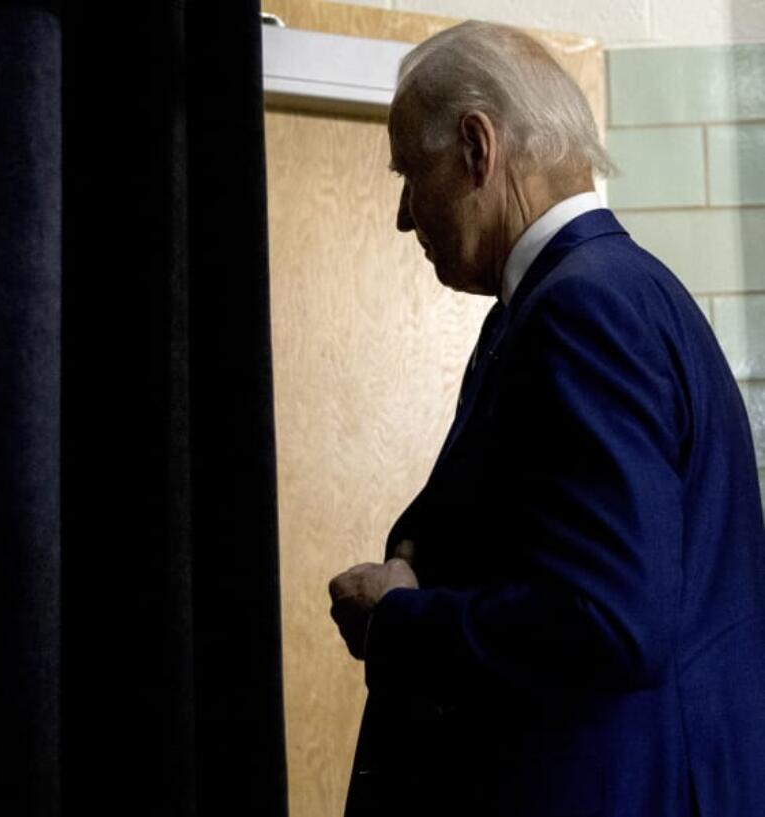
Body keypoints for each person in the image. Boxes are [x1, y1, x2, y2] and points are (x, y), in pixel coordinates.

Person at [327, 20, 765, 817]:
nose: (402, 213)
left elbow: (609, 618)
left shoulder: (582, 306)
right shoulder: (616, 290)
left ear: (476, 147)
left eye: (409, 173)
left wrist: (399, 620)